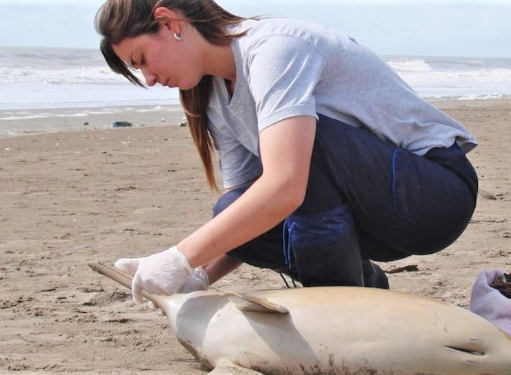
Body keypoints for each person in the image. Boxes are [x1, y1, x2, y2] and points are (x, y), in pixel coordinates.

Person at [96, 0, 478, 303]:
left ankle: (339, 303)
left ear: (168, 23)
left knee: (304, 150)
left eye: (141, 60)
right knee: (230, 211)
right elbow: (255, 208)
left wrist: (180, 257)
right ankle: (357, 284)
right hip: (375, 219)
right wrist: (198, 276)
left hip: (435, 194)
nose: (148, 79)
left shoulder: (274, 49)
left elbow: (285, 187)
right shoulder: (212, 96)